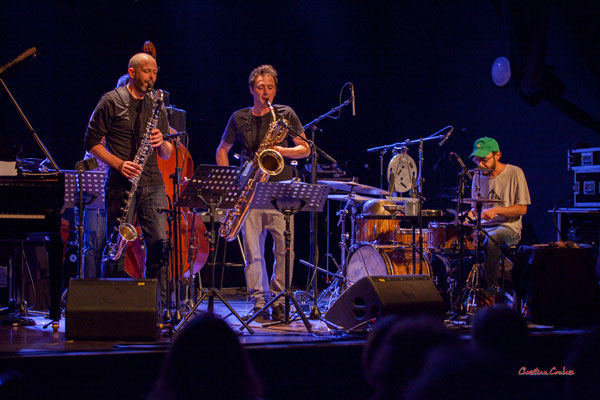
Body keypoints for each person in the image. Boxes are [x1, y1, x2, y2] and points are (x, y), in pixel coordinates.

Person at [216, 64, 310, 322]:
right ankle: (260, 300)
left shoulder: (285, 114)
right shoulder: (238, 117)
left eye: (270, 87)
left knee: (284, 250)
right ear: (251, 90)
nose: (265, 92)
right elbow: (221, 149)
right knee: (254, 251)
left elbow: (305, 149)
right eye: (260, 87)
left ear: (276, 89)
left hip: (282, 191)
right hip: (251, 191)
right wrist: (229, 183)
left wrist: (281, 151)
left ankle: (280, 301)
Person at [84, 52, 172, 306]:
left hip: (152, 183)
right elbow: (91, 143)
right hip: (121, 184)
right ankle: (113, 307)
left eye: (155, 72)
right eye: (147, 72)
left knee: (160, 247)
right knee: (117, 248)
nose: (152, 78)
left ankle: (157, 310)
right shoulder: (111, 100)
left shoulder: (156, 103)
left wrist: (161, 141)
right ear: (132, 73)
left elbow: (166, 151)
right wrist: (119, 164)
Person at [468, 137, 531, 290]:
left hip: (508, 228)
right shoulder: (477, 175)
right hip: (484, 227)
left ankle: (491, 290)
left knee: (492, 238)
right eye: (477, 160)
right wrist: (467, 218)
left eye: (484, 160)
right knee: (465, 239)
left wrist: (496, 210)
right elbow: (475, 209)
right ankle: (468, 290)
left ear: (497, 155)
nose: (480, 164)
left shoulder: (515, 172)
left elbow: (522, 209)